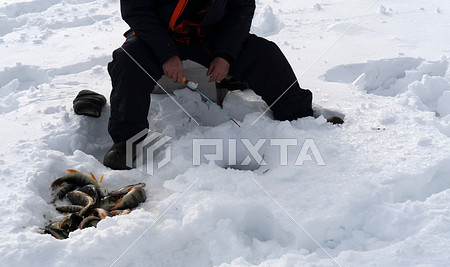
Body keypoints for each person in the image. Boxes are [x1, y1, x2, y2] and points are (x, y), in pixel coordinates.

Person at [103, 0, 336, 170]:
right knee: (127, 61)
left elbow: (240, 9)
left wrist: (225, 54)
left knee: (265, 54)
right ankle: (126, 139)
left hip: (209, 36)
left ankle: (298, 114)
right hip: (157, 35)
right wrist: (166, 54)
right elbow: (137, 9)